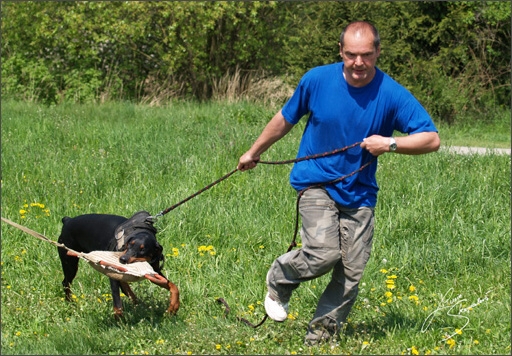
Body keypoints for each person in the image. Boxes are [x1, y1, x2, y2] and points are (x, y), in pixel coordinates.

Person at [237, 21, 440, 345]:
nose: (358, 62)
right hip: (315, 183)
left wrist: (389, 143)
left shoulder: (391, 93)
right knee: (322, 253)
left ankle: (319, 338)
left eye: (366, 55)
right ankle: (280, 277)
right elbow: (285, 119)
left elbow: (431, 139)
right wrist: (254, 152)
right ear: (341, 52)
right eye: (351, 55)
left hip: (359, 194)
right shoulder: (316, 80)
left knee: (352, 270)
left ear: (377, 52)